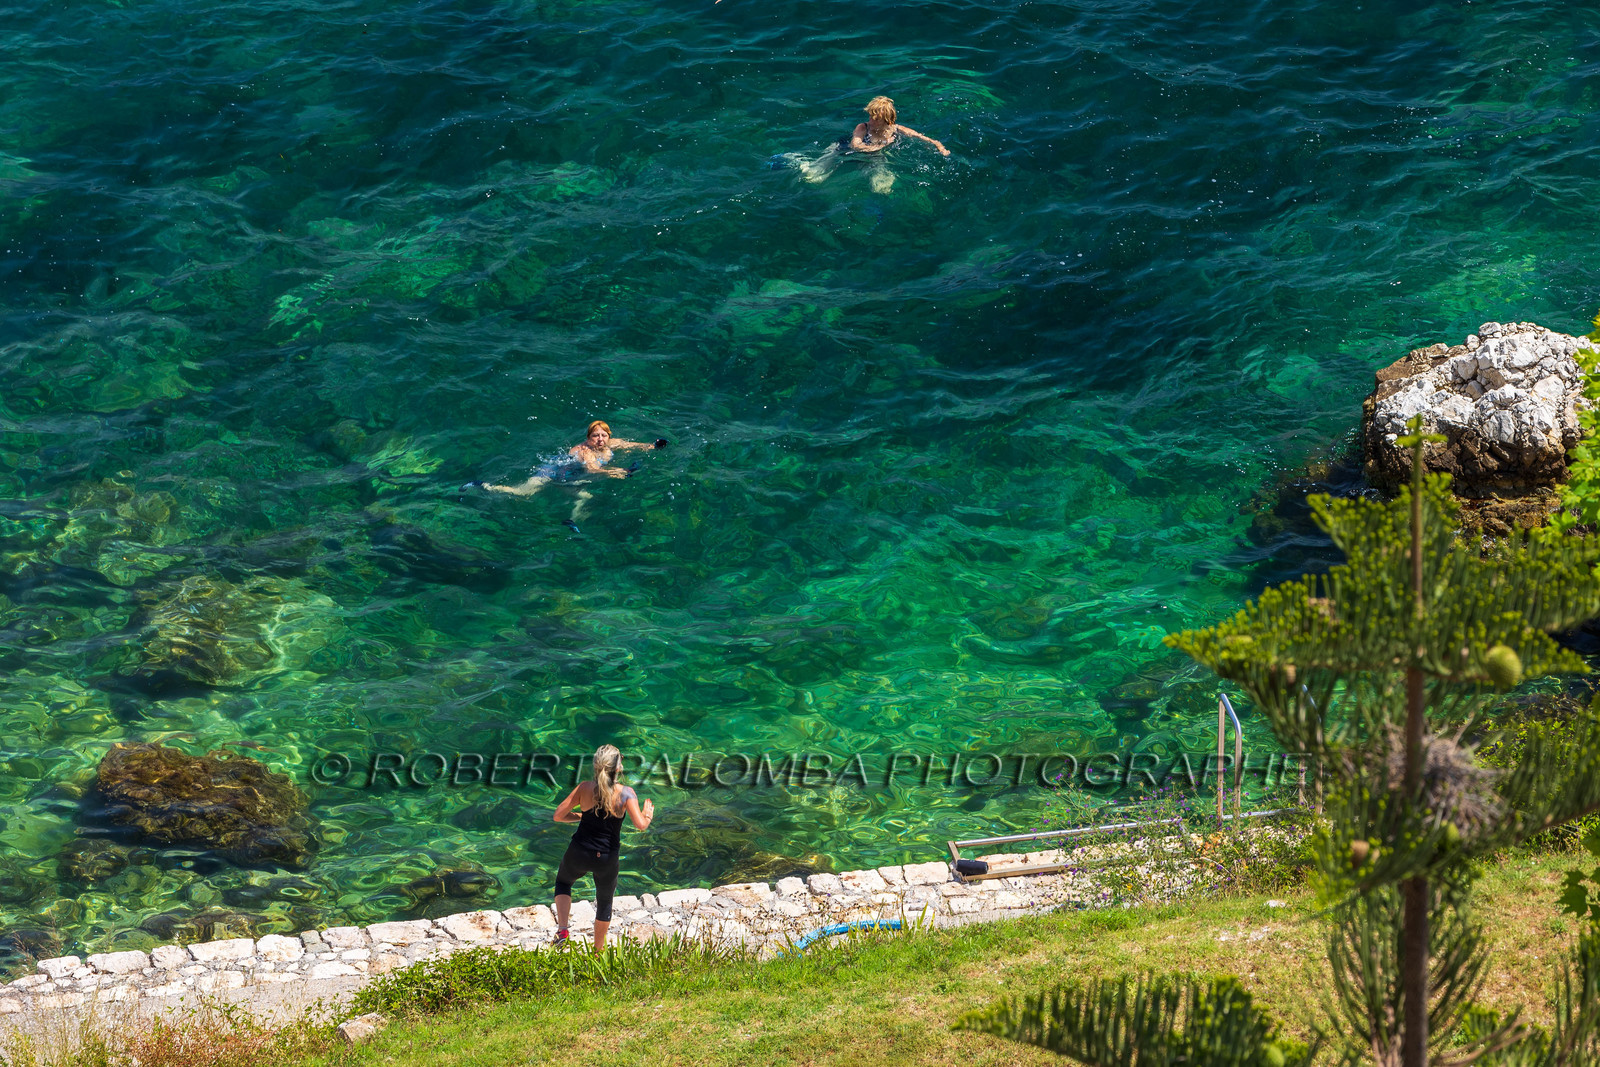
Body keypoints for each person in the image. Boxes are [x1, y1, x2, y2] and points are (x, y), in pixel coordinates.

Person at [550, 744, 654, 950]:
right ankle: (598, 951)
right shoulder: (627, 793)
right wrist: (648, 813)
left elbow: (558, 815)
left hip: (579, 850)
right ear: (617, 768)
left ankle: (563, 931)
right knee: (605, 902)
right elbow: (641, 825)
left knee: (563, 883)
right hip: (606, 857)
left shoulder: (584, 788)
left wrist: (580, 816)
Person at [469, 420, 668, 527]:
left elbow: (631, 445)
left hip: (572, 481)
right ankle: (484, 486)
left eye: (603, 435)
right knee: (523, 494)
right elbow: (592, 469)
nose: (600, 439)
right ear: (588, 438)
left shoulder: (611, 443)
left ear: (609, 436)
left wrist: (653, 446)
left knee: (586, 498)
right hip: (552, 475)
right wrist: (614, 472)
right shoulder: (584, 451)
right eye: (595, 435)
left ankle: (571, 522)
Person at [800, 96, 950, 193]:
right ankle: (809, 166)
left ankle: (880, 179)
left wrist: (939, 147)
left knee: (881, 185)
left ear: (888, 120)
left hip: (872, 156)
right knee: (822, 164)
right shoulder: (862, 127)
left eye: (876, 119)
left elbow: (921, 137)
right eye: (870, 116)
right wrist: (882, 146)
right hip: (845, 149)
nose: (871, 121)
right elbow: (855, 146)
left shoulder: (896, 129)